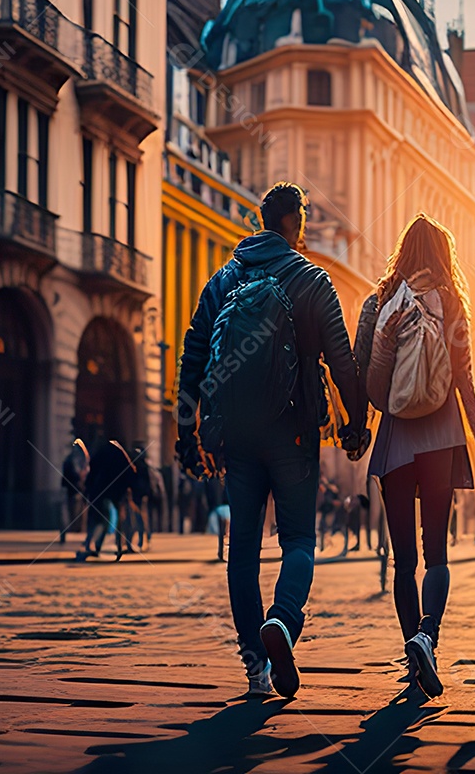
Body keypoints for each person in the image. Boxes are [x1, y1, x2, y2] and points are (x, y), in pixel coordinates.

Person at [175, 182, 368, 699]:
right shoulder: (311, 279)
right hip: (294, 429)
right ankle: (281, 621)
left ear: (260, 221)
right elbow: (342, 359)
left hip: (235, 434)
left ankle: (255, 668)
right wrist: (356, 421)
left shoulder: (222, 280)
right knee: (299, 540)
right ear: (296, 223)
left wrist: (184, 432)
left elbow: (192, 356)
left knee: (242, 552)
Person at [355, 213, 475, 700]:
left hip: (396, 443)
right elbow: (465, 383)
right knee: (436, 554)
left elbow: (367, 383)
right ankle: (428, 637)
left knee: (402, 563)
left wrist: (354, 431)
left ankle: (412, 656)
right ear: (443, 255)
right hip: (441, 443)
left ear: (403, 251)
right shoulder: (452, 303)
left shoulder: (381, 301)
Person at [77, 438, 137, 562]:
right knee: (117, 519)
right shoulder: (119, 453)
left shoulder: (101, 453)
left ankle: (93, 544)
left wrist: (88, 490)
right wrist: (128, 489)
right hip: (116, 491)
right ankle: (119, 546)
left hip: (100, 490)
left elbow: (92, 473)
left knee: (99, 519)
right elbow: (131, 472)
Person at [60, 438, 89, 543]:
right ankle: (75, 529)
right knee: (74, 511)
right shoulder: (75, 460)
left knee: (75, 510)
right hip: (75, 489)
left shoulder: (71, 459)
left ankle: (75, 529)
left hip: (74, 489)